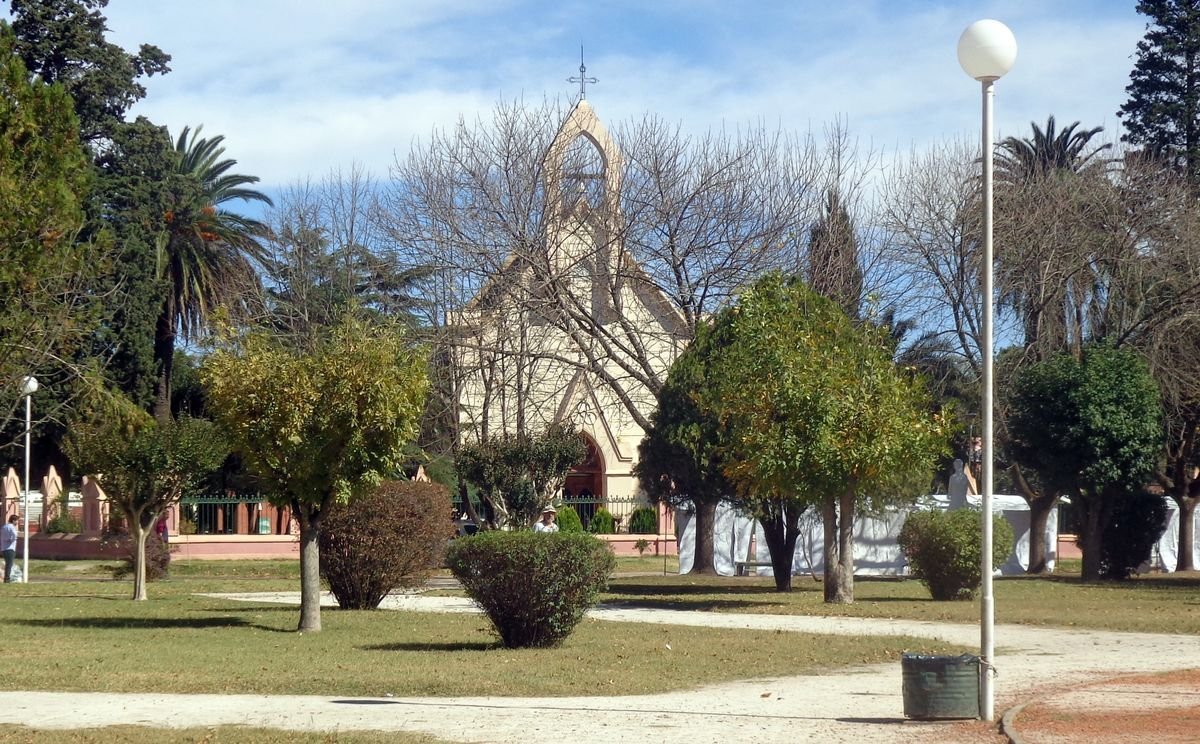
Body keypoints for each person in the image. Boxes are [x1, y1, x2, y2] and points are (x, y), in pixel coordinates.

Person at [2, 514, 18, 582]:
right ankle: (7, 579)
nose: (17, 522)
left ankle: (6, 578)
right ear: (13, 520)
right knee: (9, 564)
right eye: (17, 521)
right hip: (10, 548)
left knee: (7, 563)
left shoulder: (4, 527)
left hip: (3, 548)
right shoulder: (12, 527)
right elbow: (14, 536)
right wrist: (11, 539)